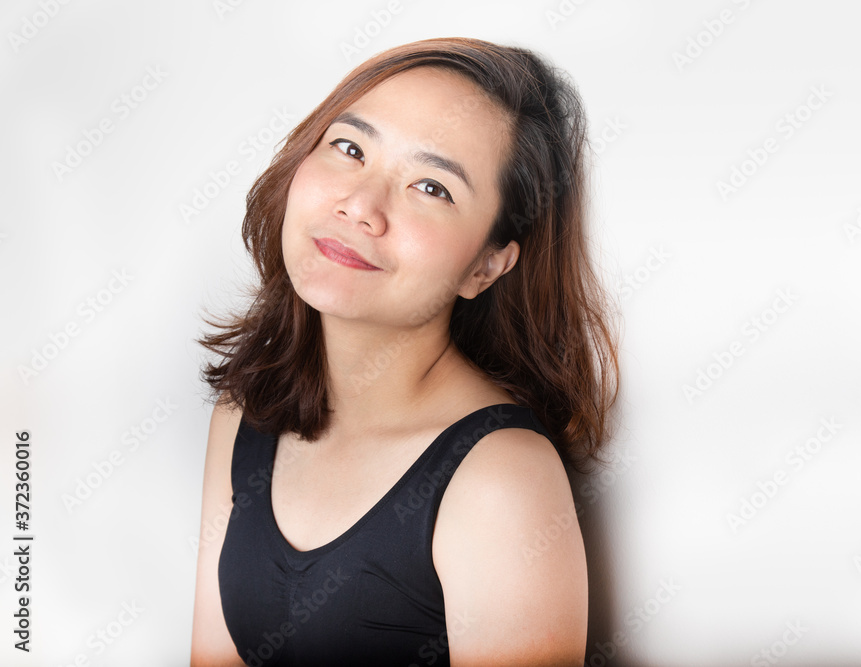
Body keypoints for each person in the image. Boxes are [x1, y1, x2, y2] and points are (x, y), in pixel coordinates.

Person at [190, 36, 619, 666]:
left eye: (432, 187)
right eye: (350, 148)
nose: (360, 207)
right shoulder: (245, 411)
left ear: (486, 265)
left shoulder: (501, 479)